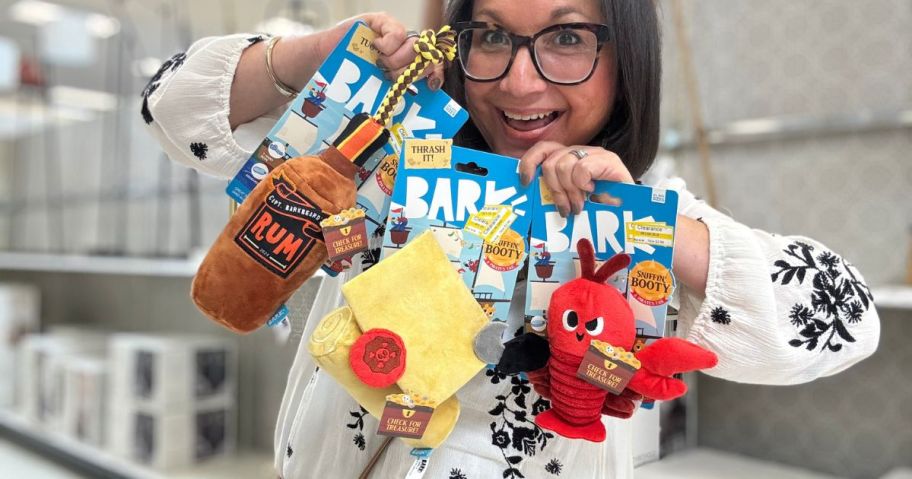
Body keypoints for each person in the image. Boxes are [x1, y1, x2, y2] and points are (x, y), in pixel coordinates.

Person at [142, 1, 881, 477]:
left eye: (565, 38)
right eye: (491, 36)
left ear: (627, 57)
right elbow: (168, 108)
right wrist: (319, 55)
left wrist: (633, 210)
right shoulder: (389, 158)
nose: (519, 82)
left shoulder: (641, 227)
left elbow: (845, 320)